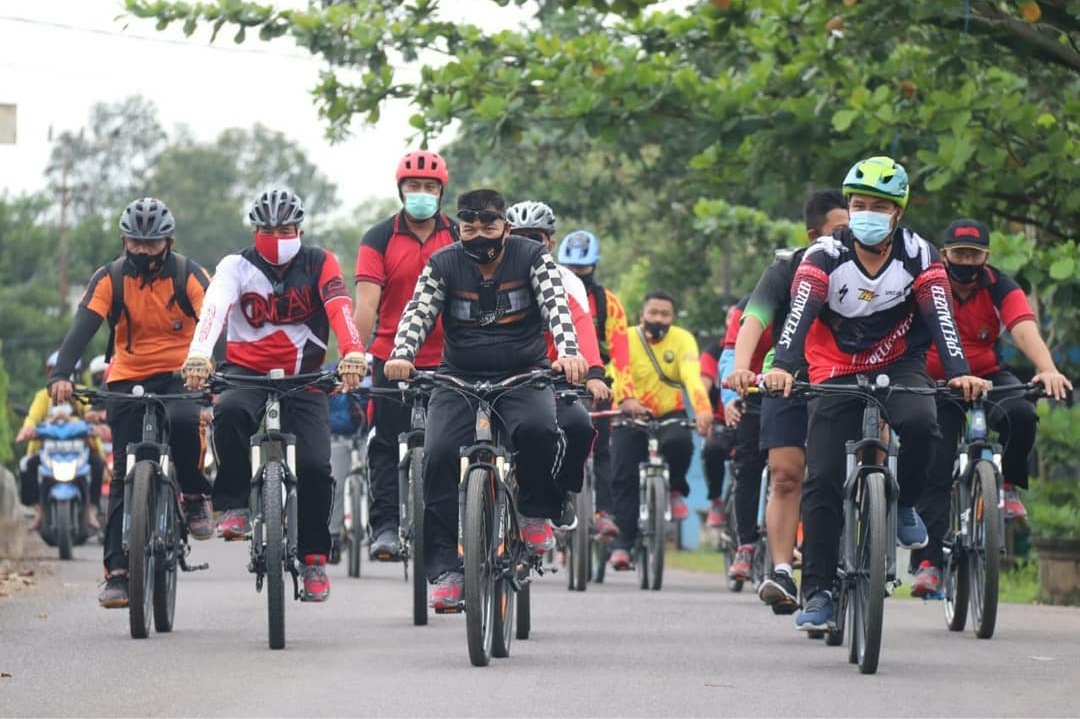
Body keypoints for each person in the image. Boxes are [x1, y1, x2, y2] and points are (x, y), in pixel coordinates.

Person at [763, 156, 987, 630]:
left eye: (878, 206)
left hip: (898, 359)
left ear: (898, 214)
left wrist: (959, 371)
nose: (865, 213)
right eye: (858, 203)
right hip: (834, 366)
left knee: (923, 422)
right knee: (821, 479)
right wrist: (783, 367)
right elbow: (799, 315)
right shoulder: (823, 254)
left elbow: (940, 315)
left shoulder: (921, 255)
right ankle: (819, 591)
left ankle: (904, 504)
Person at [384, 188, 587, 612]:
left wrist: (568, 353)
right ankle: (447, 571)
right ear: (458, 228)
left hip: (523, 373)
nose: (479, 235)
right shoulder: (442, 263)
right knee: (437, 454)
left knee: (538, 430)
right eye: (469, 227)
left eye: (489, 227)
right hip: (458, 377)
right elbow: (416, 314)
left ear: (506, 228)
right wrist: (401, 355)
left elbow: (556, 307)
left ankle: (533, 511)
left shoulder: (532, 257)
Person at [181, 188, 367, 604]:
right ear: (254, 230)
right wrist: (198, 355)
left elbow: (339, 307)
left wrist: (353, 351)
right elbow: (214, 307)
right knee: (227, 412)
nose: (277, 236)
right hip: (246, 372)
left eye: (285, 229)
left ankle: (315, 558)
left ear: (300, 229)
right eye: (268, 229)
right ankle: (232, 505)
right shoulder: (235, 266)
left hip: (305, 376)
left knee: (318, 465)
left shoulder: (320, 262)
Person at [47, 197, 213, 608]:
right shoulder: (110, 278)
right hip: (126, 377)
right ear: (124, 240)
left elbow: (213, 320)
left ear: (168, 242)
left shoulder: (189, 274)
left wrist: (208, 362)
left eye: (151, 244)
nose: (142, 251)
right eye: (135, 243)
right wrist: (61, 374)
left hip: (182, 374)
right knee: (123, 471)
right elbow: (83, 325)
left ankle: (193, 496)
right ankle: (118, 572)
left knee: (184, 419)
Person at [910, 218, 1072, 597]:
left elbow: (1022, 323)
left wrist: (1047, 369)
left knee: (1022, 413)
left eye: (974, 254)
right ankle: (928, 564)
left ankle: (1010, 484)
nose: (966, 261)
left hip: (987, 375)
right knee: (935, 465)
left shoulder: (1000, 285)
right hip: (937, 383)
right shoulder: (927, 285)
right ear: (944, 254)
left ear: (986, 257)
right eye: (958, 253)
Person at [726, 189, 849, 612]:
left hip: (845, 378)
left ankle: (869, 542)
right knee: (785, 474)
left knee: (836, 475)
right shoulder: (785, 270)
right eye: (841, 229)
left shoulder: (873, 269)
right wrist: (741, 368)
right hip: (787, 379)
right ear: (813, 235)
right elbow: (754, 320)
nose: (852, 236)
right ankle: (781, 570)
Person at [354, 150, 458, 562]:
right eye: (413, 186)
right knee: (384, 442)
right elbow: (365, 306)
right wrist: (354, 355)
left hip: (450, 360)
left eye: (429, 187)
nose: (421, 194)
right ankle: (384, 527)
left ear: (441, 192)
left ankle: (452, 531)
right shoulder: (378, 238)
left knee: (449, 446)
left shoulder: (457, 234)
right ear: (400, 190)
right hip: (390, 357)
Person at [507, 201, 613, 528]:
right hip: (497, 378)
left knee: (579, 426)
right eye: (519, 237)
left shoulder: (566, 282)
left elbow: (581, 325)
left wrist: (593, 373)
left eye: (534, 238)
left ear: (549, 243)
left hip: (549, 379)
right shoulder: (489, 273)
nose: (526, 246)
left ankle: (554, 495)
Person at [608, 290, 713, 570]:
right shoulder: (626, 338)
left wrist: (703, 408)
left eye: (665, 314)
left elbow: (692, 376)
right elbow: (618, 373)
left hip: (669, 411)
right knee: (623, 476)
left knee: (681, 442)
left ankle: (675, 489)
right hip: (630, 411)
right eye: (653, 312)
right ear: (641, 314)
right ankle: (622, 546)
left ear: (673, 318)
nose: (658, 318)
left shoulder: (683, 340)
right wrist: (627, 401)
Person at [557, 229, 632, 538]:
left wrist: (625, 395)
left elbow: (622, 352)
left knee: (602, 446)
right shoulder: (549, 291)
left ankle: (605, 512)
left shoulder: (608, 303)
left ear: (594, 267)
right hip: (557, 377)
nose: (576, 274)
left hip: (599, 381)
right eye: (571, 268)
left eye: (583, 269)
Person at [717, 295, 772, 582]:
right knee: (748, 465)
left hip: (799, 392)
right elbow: (729, 356)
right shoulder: (750, 306)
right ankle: (746, 545)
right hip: (752, 393)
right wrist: (729, 399)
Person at [17, 353, 105, 532]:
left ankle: (91, 510)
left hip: (80, 450)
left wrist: (96, 423)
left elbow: (92, 413)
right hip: (47, 452)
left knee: (98, 465)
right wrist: (27, 430)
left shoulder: (83, 393)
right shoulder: (42, 396)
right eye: (54, 371)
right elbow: (32, 418)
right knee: (26, 465)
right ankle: (39, 511)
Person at [698, 333, 729, 528]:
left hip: (754, 416)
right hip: (720, 419)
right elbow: (703, 383)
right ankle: (716, 500)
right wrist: (703, 412)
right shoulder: (714, 351)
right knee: (712, 448)